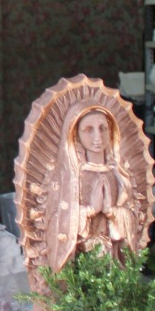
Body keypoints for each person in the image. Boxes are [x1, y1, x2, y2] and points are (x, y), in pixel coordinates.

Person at [43, 105, 136, 273]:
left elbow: (132, 214)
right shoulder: (69, 178)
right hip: (81, 260)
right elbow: (55, 219)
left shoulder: (119, 176)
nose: (98, 137)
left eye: (103, 128)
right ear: (75, 134)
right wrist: (88, 211)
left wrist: (112, 212)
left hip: (111, 258)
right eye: (88, 130)